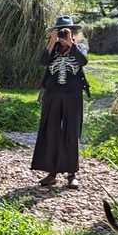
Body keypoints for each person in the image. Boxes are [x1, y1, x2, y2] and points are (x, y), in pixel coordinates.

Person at [32, 14, 88, 189]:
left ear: (73, 32)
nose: (64, 34)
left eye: (68, 31)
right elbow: (42, 61)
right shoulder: (52, 49)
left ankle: (72, 174)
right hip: (53, 95)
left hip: (73, 96)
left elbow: (83, 61)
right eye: (61, 31)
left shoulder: (80, 47)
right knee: (50, 131)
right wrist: (52, 41)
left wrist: (71, 44)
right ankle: (51, 173)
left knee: (71, 133)